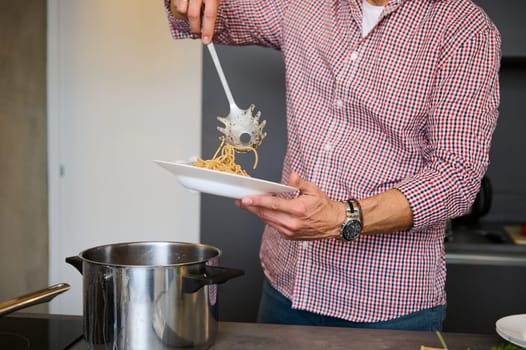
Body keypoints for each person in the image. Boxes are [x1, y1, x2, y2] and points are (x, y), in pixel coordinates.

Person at [164, 0, 501, 331]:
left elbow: (457, 177)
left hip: (388, 308)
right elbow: (213, 14)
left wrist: (343, 218)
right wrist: (188, 4)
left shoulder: (463, 27)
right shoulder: (303, 5)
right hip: (287, 286)